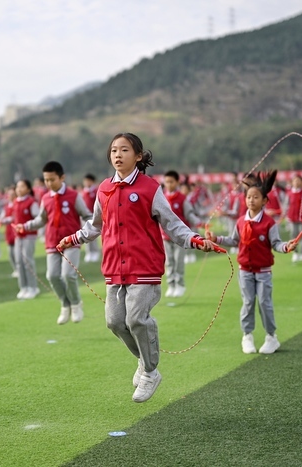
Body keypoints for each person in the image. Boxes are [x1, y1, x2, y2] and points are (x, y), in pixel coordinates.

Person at [58, 132, 219, 403]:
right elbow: (95, 225)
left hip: (144, 266)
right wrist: (74, 238)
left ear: (138, 156)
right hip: (113, 267)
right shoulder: (104, 189)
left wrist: (195, 239)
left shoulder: (150, 189)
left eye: (124, 150)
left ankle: (151, 372)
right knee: (114, 322)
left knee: (135, 319)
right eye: (113, 151)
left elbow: (172, 223)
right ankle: (144, 362)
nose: (117, 155)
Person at [211, 170, 298, 355]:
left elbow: (276, 244)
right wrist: (216, 239)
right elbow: (234, 240)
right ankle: (247, 335)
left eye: (256, 197)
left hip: (263, 271)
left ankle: (271, 337)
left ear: (265, 201)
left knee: (265, 303)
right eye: (249, 197)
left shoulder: (269, 223)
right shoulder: (241, 221)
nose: (251, 200)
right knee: (248, 302)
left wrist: (287, 247)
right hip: (245, 271)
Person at [17, 161, 92, 324]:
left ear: (62, 177)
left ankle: (76, 304)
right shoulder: (45, 198)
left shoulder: (73, 196)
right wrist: (25, 226)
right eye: (46, 180)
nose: (49, 183)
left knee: (68, 274)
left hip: (71, 241)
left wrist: (95, 225)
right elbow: (41, 219)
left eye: (52, 179)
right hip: (52, 242)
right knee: (52, 275)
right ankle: (65, 305)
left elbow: (86, 215)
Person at [161, 170, 201, 298]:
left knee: (179, 262)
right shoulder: (161, 198)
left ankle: (180, 285)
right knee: (169, 262)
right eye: (166, 182)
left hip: (179, 237)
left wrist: (198, 222)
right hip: (166, 236)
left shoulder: (182, 198)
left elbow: (189, 214)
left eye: (171, 182)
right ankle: (171, 285)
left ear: (177, 182)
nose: (168, 184)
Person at [2, 180, 40, 300]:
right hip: (18, 236)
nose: (19, 189)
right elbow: (13, 218)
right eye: (18, 187)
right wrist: (3, 221)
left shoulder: (31, 202)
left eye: (22, 186)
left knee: (27, 261)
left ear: (28, 189)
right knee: (19, 262)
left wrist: (26, 226)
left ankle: (33, 287)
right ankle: (23, 287)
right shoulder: (15, 202)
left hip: (29, 236)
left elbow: (38, 218)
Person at [285, 174, 302, 263]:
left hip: (301, 218)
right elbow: (286, 205)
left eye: (298, 181)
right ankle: (295, 253)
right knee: (293, 235)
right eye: (295, 181)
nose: (296, 182)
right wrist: (286, 215)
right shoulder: (289, 193)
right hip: (292, 218)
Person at [81, 173, 101, 263]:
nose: (86, 183)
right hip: (85, 217)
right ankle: (89, 252)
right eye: (85, 181)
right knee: (85, 234)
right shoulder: (83, 192)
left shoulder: (96, 191)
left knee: (93, 234)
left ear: (92, 181)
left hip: (93, 216)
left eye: (88, 181)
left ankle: (95, 252)